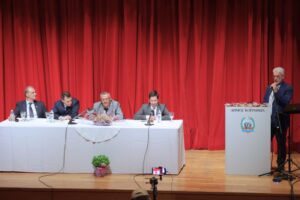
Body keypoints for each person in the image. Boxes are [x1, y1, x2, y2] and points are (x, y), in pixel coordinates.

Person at [263, 66, 293, 172]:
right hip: (268, 121)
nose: (275, 78)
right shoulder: (269, 87)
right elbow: (265, 101)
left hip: (280, 121)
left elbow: (285, 102)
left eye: (278, 76)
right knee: (265, 144)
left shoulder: (288, 88)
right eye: (274, 76)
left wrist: (276, 91)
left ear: (283, 76)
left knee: (281, 145)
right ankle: (264, 165)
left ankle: (280, 168)